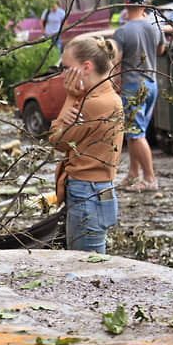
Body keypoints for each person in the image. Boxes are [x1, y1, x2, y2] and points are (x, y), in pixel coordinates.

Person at [49, 36, 125, 254]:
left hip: (87, 194)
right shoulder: (106, 97)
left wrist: (69, 98)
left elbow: (57, 140)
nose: (63, 74)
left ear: (86, 67)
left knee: (86, 266)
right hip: (94, 192)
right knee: (89, 263)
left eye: (66, 68)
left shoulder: (93, 104)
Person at [113, 0, 165, 192]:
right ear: (144, 5)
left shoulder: (123, 32)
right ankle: (133, 175)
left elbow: (115, 60)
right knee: (134, 131)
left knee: (135, 134)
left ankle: (150, 178)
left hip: (133, 87)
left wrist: (112, 83)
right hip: (151, 84)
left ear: (126, 7)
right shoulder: (155, 25)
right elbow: (160, 51)